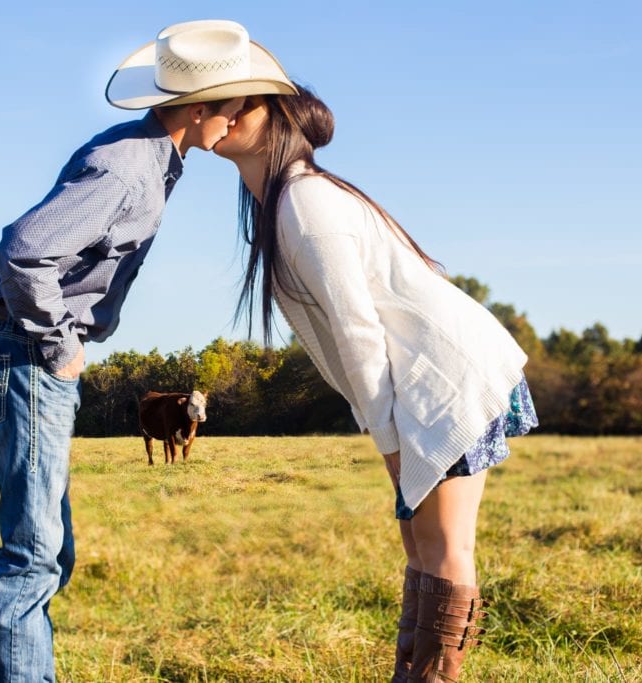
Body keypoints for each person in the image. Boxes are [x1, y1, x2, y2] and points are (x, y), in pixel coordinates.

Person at [0, 20, 295, 682]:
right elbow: (23, 251)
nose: (236, 122)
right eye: (233, 107)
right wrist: (60, 345)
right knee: (33, 554)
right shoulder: (125, 167)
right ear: (200, 108)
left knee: (49, 553)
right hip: (26, 352)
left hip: (25, 350)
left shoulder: (152, 158)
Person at [213, 86, 538, 682]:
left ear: (281, 121)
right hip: (422, 379)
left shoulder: (305, 204)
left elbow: (358, 333)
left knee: (444, 552)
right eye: (221, 102)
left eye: (244, 105)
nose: (225, 113)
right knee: (422, 552)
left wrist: (390, 442)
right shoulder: (287, 199)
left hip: (446, 380)